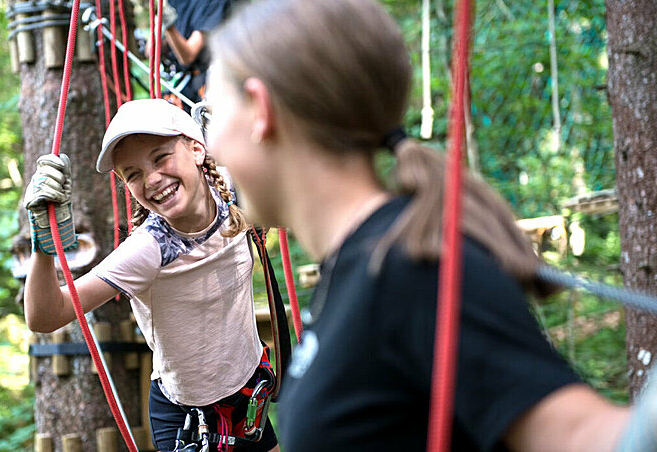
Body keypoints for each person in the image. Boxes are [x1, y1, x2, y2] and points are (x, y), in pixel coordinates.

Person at [200, 0, 646, 450]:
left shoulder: (411, 269)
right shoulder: (361, 267)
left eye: (212, 113)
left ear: (260, 108)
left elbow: (587, 438)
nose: (210, 146)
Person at [23, 98, 280, 452]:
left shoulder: (234, 193)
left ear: (196, 148)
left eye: (161, 157)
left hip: (248, 392)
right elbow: (45, 316)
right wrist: (43, 245)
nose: (153, 179)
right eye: (134, 174)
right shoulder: (148, 250)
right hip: (189, 420)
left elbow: (298, 196)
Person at [158, 0, 236, 108]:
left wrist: (167, 22)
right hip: (181, 81)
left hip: (207, 81)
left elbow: (187, 56)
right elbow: (151, 51)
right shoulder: (175, 2)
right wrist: (156, 13)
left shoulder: (215, 3)